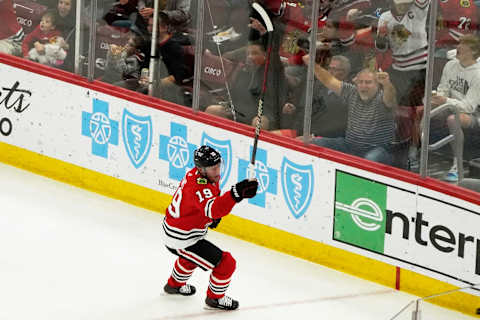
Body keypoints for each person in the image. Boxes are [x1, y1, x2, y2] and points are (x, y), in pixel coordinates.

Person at [162, 145, 258, 311]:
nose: (218, 171)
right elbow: (213, 208)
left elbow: (204, 205)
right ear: (201, 169)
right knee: (226, 263)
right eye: (214, 168)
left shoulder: (202, 175)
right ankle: (215, 299)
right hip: (182, 238)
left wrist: (210, 216)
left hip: (176, 230)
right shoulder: (198, 185)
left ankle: (174, 285)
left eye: (219, 165)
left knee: (190, 259)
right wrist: (236, 194)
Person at [304, 54, 397, 165]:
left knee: (369, 160)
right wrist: (312, 64)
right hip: (349, 145)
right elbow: (329, 80)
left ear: (377, 85)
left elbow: (390, 98)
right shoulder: (352, 92)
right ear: (356, 83)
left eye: (368, 82)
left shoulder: (382, 97)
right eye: (360, 82)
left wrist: (387, 84)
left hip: (378, 149)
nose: (363, 86)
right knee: (313, 143)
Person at [429, 34, 480, 182]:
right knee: (424, 108)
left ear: (473, 52)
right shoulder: (450, 65)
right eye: (459, 43)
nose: (458, 47)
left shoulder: (477, 74)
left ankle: (457, 165)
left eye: (463, 45)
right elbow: (443, 88)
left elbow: (469, 107)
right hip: (451, 104)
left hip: (473, 112)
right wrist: (438, 97)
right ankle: (414, 151)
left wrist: (445, 100)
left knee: (453, 119)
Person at [204, 41, 287, 130]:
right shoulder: (242, 72)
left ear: (265, 56)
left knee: (259, 122)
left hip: (261, 114)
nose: (249, 57)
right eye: (248, 54)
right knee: (212, 110)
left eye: (254, 53)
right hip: (238, 110)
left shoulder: (274, 75)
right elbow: (233, 96)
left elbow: (276, 104)